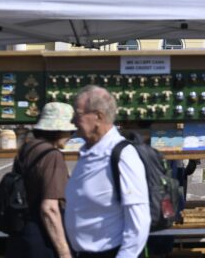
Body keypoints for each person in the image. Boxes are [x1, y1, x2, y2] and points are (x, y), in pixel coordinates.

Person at [64, 85, 150, 258]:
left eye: (78, 114)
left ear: (98, 116)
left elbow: (139, 221)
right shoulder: (88, 151)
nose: (72, 121)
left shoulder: (122, 155)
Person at [6, 102, 76, 258]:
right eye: (69, 131)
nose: (71, 135)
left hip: (21, 233)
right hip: (42, 237)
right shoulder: (52, 156)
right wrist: (65, 253)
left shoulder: (28, 148)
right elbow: (49, 209)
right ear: (59, 130)